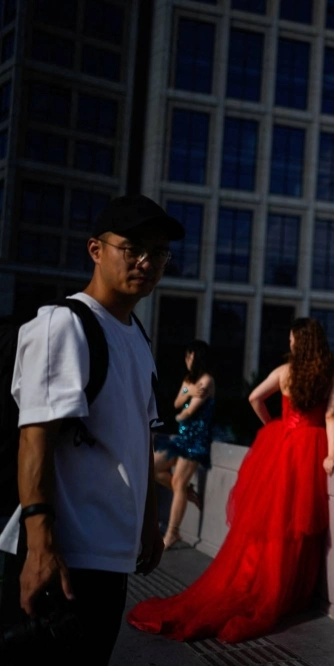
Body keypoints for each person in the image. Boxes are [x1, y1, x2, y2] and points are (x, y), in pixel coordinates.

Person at [0, 195, 184, 663]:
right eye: (133, 248)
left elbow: (141, 438)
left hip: (109, 557)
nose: (146, 262)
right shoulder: (64, 325)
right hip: (63, 559)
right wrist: (40, 548)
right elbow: (34, 436)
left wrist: (149, 527)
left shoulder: (137, 336)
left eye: (159, 253)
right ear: (95, 249)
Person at [127, 317, 334, 642]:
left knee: (269, 521)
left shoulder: (285, 372)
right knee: (297, 525)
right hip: (311, 448)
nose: (290, 345)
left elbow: (255, 397)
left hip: (282, 444)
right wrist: (332, 453)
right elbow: (332, 414)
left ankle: (258, 581)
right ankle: (288, 590)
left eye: (292, 340)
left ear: (298, 342)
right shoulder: (331, 371)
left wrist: (275, 425)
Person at [153, 339, 215, 549]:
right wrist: (188, 393)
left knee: (177, 482)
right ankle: (188, 493)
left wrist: (179, 415)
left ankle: (172, 533)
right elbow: (177, 403)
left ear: (198, 358)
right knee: (153, 468)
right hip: (181, 437)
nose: (187, 360)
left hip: (196, 440)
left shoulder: (206, 381)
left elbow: (189, 410)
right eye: (186, 356)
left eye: (190, 356)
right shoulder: (190, 380)